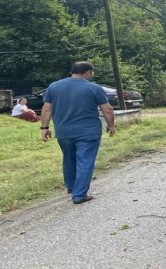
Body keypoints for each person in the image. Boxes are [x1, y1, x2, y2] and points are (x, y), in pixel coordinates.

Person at [39, 61, 115, 204]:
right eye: (91, 73)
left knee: (69, 158)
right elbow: (107, 109)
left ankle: (72, 186)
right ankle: (79, 194)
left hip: (63, 131)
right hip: (88, 131)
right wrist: (111, 125)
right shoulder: (94, 88)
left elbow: (46, 109)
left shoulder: (54, 87)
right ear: (88, 72)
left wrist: (44, 128)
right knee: (85, 161)